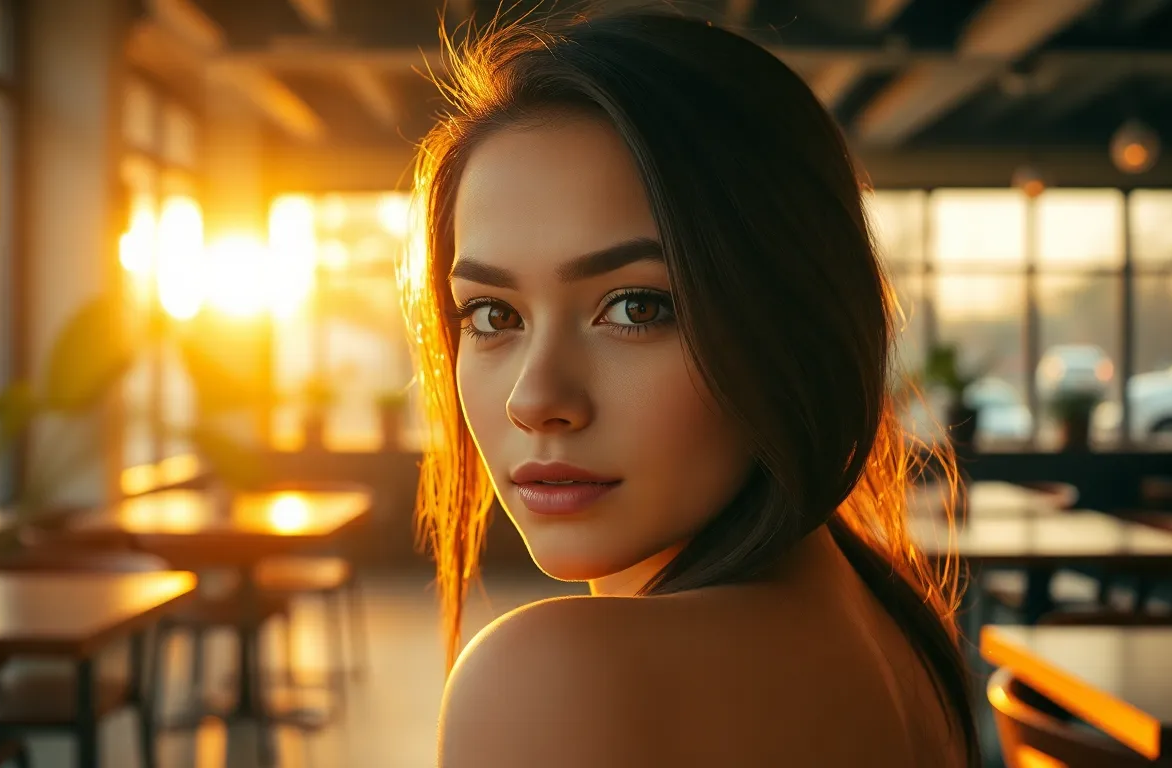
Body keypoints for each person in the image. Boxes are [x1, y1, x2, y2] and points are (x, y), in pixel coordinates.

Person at [401, 10, 979, 767]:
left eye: (638, 307)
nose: (533, 398)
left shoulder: (556, 678)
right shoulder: (888, 624)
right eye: (492, 314)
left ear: (794, 317)